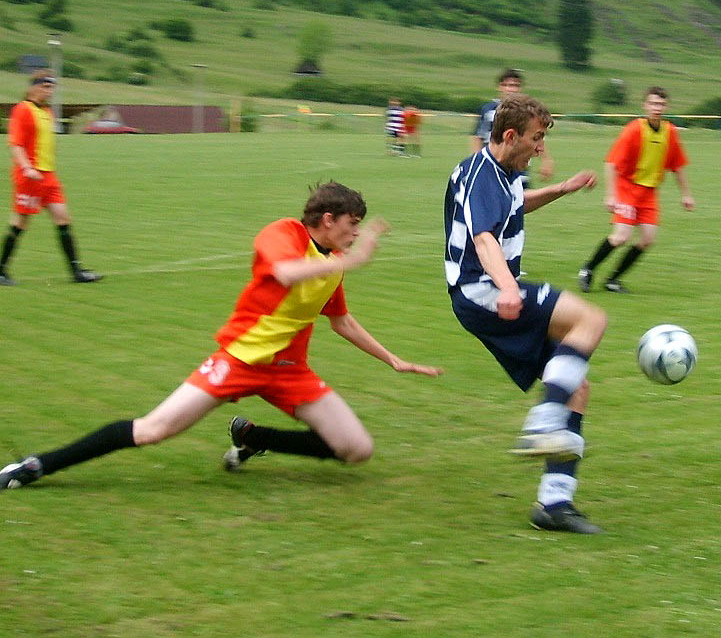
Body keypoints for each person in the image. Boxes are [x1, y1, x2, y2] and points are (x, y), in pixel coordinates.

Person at [1, 182, 442, 491]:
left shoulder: (332, 264)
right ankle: (36, 466)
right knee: (153, 429)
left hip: (289, 371)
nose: (357, 233)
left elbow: (341, 321)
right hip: (239, 361)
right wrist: (352, 260)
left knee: (356, 449)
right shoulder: (284, 233)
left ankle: (254, 438)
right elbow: (286, 272)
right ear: (328, 220)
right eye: (353, 223)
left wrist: (393, 359)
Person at [445, 93, 607, 534]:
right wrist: (507, 286)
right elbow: (483, 239)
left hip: (486, 292)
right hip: (481, 291)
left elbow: (515, 203)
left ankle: (554, 504)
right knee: (590, 320)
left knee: (576, 385)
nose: (540, 148)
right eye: (536, 138)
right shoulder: (480, 174)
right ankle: (542, 423)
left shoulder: (505, 173)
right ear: (511, 135)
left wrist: (559, 189)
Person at [578, 86, 695, 294]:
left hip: (649, 193)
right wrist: (611, 195)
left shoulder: (670, 132)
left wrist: (686, 194)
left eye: (661, 104)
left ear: (666, 107)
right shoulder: (634, 130)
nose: (657, 108)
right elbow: (611, 163)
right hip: (627, 188)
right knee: (621, 236)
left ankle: (612, 280)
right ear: (645, 106)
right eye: (653, 104)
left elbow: (677, 166)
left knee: (648, 239)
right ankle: (588, 269)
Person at [1, 71, 102, 286]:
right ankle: (1, 271)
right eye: (46, 87)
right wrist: (27, 168)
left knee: (63, 219)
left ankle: (76, 271)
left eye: (52, 87)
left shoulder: (47, 111)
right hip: (30, 177)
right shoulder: (22, 110)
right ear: (33, 87)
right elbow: (16, 144)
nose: (50, 91)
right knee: (20, 223)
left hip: (48, 177)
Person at [470, 69, 553, 181]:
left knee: (521, 191)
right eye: (507, 85)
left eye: (515, 86)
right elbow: (478, 137)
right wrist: (476, 162)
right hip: (493, 166)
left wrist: (546, 160)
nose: (511, 89)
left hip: (519, 167)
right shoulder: (488, 110)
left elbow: (536, 137)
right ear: (500, 87)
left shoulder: (527, 112)